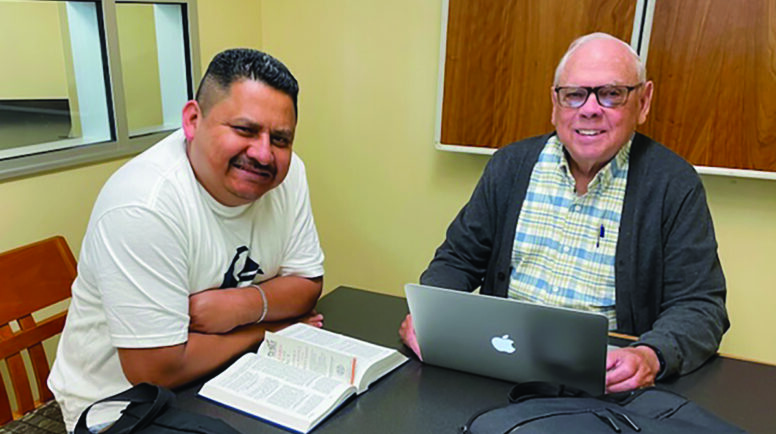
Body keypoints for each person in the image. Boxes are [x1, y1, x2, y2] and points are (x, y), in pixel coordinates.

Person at [400, 33, 729, 393]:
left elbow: (700, 306)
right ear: (555, 103)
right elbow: (457, 260)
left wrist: (651, 355)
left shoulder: (673, 184)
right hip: (499, 365)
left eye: (611, 93)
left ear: (644, 101)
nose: (590, 109)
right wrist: (431, 315)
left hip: (603, 386)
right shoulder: (510, 166)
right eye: (574, 94)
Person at [48, 48, 325, 431]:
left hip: (229, 376)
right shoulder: (143, 204)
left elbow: (307, 286)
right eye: (245, 130)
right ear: (193, 120)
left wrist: (239, 305)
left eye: (280, 139)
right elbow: (157, 369)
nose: (264, 154)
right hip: (122, 409)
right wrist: (270, 329)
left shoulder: (289, 175)